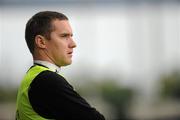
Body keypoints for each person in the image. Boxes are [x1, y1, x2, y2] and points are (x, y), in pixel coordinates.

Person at [16, 11, 105, 120]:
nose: (73, 44)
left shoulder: (32, 77)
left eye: (71, 36)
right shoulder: (47, 81)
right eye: (64, 36)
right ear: (41, 42)